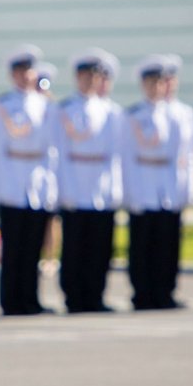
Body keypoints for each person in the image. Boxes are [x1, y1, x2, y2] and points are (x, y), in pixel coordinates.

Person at [0, 45, 58, 316]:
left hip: (37, 181)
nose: (25, 76)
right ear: (12, 75)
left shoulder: (46, 105)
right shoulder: (2, 105)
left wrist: (50, 184)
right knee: (13, 246)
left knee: (33, 245)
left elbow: (52, 149)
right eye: (20, 71)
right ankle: (10, 300)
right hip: (12, 180)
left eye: (29, 71)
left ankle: (30, 299)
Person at [121, 56, 193, 311]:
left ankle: (165, 292)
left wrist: (186, 188)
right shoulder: (133, 115)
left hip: (168, 185)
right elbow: (127, 156)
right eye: (151, 82)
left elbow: (185, 155)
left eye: (160, 82)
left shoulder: (177, 115)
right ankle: (141, 293)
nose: (156, 88)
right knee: (141, 243)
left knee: (168, 244)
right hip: (143, 183)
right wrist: (129, 191)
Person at [55, 50, 124, 314]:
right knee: (74, 246)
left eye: (94, 76)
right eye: (85, 76)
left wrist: (114, 187)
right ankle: (73, 297)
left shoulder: (111, 111)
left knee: (100, 247)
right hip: (75, 182)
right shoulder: (65, 109)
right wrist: (63, 188)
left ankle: (95, 295)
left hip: (100, 185)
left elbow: (115, 155)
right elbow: (59, 152)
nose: (90, 81)